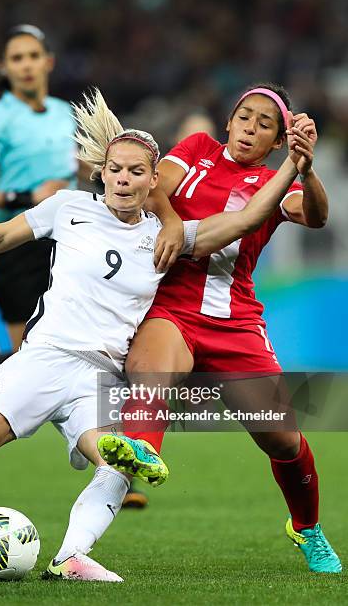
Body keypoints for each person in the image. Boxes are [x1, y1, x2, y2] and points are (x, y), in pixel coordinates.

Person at [0, 89, 308, 582]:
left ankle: (71, 555)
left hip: (101, 375)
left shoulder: (169, 236)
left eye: (137, 172)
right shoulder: (69, 207)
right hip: (45, 357)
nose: (124, 180)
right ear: (103, 172)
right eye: (116, 170)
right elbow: (1, 235)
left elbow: (245, 218)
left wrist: (294, 165)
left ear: (155, 181)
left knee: (118, 461)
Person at [98, 83, 342, 574]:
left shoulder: (279, 181)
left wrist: (307, 168)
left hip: (236, 323)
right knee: (153, 370)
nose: (251, 127)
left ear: (278, 142)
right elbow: (156, 188)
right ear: (228, 122)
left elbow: (314, 216)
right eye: (244, 116)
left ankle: (307, 529)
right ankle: (141, 453)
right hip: (173, 304)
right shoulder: (197, 151)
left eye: (265, 123)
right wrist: (169, 223)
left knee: (284, 441)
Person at [0, 24, 78, 405]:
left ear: (49, 62)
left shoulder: (64, 114)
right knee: (31, 360)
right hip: (15, 244)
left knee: (70, 344)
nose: (26, 65)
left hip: (65, 240)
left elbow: (79, 167)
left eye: (33, 56)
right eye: (17, 58)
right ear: (4, 67)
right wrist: (26, 194)